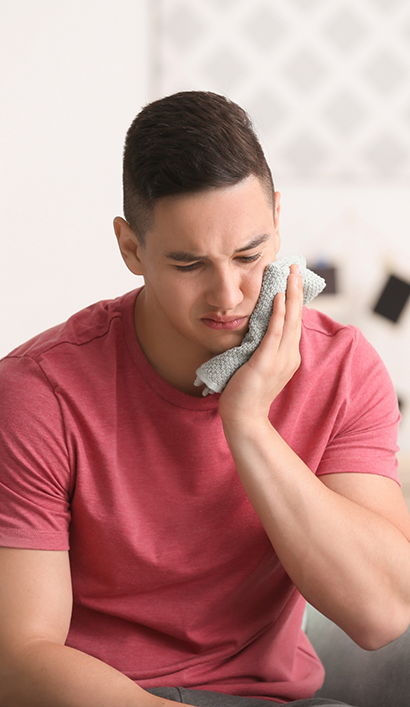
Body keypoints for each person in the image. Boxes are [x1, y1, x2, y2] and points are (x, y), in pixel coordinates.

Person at [1, 91, 410, 707]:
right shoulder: (40, 392)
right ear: (132, 248)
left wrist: (246, 422)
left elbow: (382, 615)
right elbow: (20, 660)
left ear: (277, 218)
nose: (229, 295)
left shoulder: (341, 368)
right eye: (190, 264)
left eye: (250, 256)